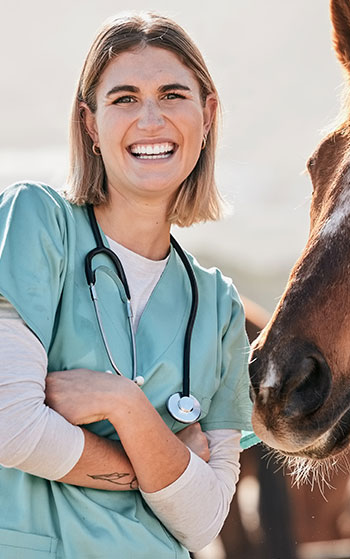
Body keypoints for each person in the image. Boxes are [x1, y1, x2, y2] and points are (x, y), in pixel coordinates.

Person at [0, 12, 255, 558]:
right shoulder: (35, 222)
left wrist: (124, 406)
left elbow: (205, 521)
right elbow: (12, 426)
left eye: (172, 94)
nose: (150, 119)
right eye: (124, 98)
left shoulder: (220, 307)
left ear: (207, 115)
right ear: (90, 123)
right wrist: (164, 466)